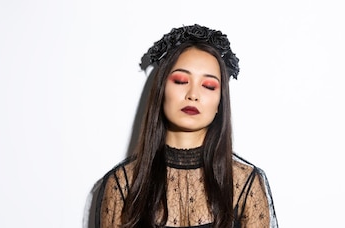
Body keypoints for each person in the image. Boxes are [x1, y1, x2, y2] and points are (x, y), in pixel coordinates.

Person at [85, 24, 278, 228]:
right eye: (180, 81)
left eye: (209, 86)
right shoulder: (123, 184)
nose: (193, 94)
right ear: (161, 91)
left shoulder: (245, 184)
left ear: (220, 103)